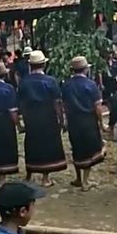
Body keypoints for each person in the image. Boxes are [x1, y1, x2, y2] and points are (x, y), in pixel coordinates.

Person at [18, 51, 67, 187]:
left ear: (30, 65)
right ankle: (45, 178)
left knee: (31, 144)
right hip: (48, 116)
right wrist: (61, 120)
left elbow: (21, 103)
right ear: (44, 64)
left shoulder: (24, 82)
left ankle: (29, 174)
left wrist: (22, 119)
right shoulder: (50, 81)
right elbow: (57, 103)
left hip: (31, 117)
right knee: (47, 145)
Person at [62, 56, 106, 191]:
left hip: (73, 121)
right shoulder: (91, 85)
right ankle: (85, 181)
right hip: (88, 121)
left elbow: (64, 105)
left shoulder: (66, 85)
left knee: (77, 148)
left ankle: (78, 178)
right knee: (89, 150)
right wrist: (101, 123)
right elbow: (98, 107)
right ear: (86, 69)